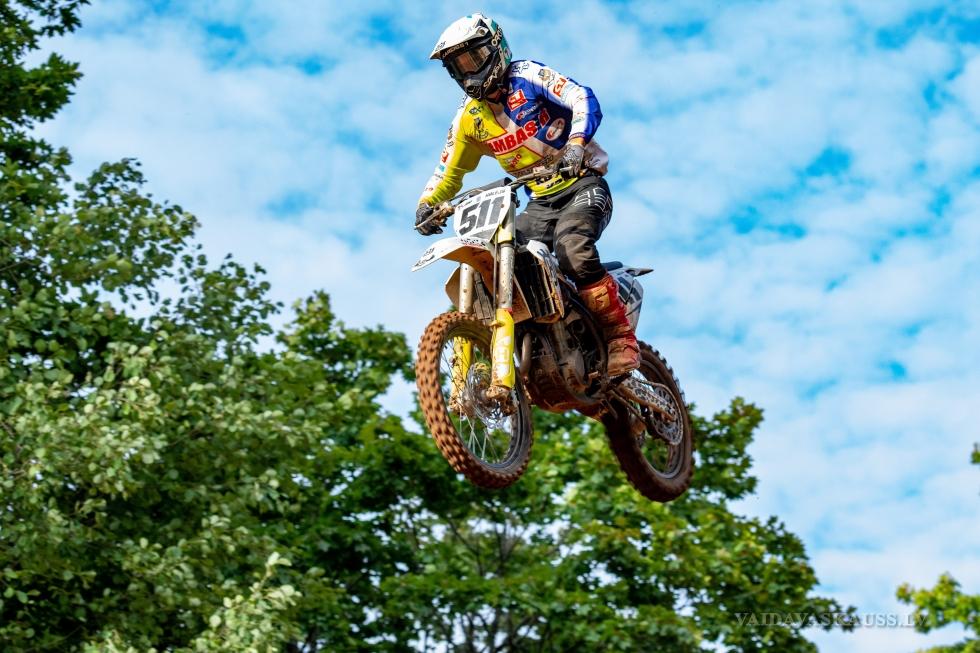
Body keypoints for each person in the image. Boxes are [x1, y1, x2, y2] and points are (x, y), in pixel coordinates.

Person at [415, 13, 639, 376]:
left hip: (582, 185)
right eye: (458, 66)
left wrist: (576, 144)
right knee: (492, 260)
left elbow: (581, 97)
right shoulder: (469, 119)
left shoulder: (528, 76)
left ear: (496, 48)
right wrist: (427, 203)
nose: (468, 71)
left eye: (473, 58)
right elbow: (448, 170)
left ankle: (619, 338)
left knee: (572, 249)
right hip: (539, 204)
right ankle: (524, 348)